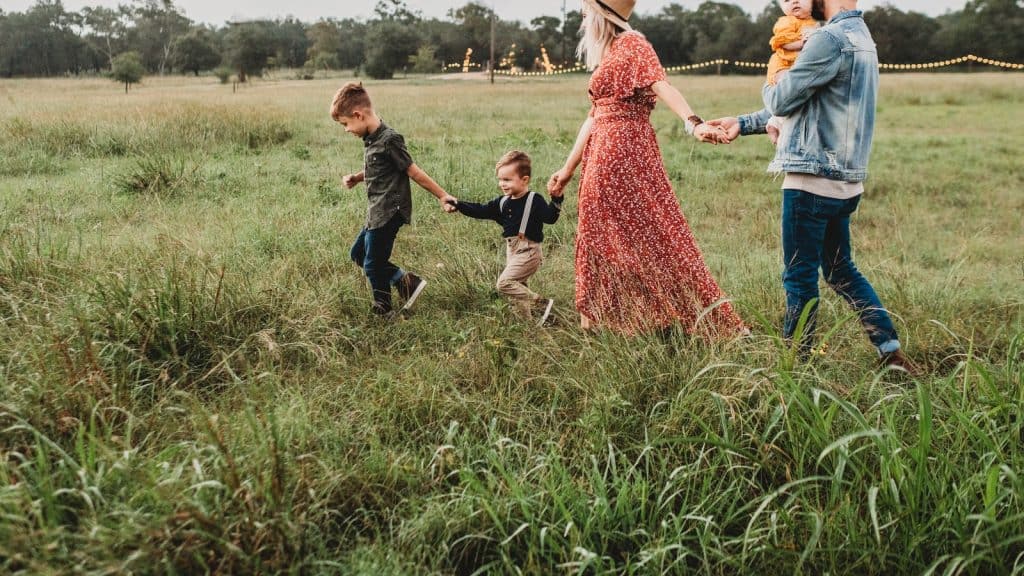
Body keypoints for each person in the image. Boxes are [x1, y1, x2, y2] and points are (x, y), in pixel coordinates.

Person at [708, 0, 922, 374]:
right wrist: (745, 122)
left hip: (812, 179)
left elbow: (781, 98)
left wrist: (775, 65)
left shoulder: (828, 39)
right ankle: (891, 353)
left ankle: (796, 365)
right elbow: (809, 103)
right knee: (841, 271)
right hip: (845, 181)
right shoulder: (861, 37)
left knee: (799, 274)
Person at [546, 0, 745, 336]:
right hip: (601, 156)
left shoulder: (634, 44)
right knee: (599, 236)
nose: (582, 17)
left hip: (626, 153)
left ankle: (660, 316)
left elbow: (662, 85)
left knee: (650, 234)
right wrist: (567, 168)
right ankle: (599, 322)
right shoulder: (609, 52)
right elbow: (594, 116)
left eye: (585, 10)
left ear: (602, 13)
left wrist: (693, 123)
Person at [332, 82, 457, 316]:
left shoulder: (390, 139)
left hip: (389, 211)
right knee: (358, 254)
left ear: (358, 115)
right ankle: (406, 283)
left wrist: (443, 196)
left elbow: (413, 171)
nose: (346, 130)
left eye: (346, 124)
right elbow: (379, 168)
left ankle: (384, 309)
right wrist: (358, 177)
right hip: (376, 211)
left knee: (373, 263)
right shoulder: (371, 139)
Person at [447, 151, 563, 325]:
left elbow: (550, 218)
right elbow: (480, 210)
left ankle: (541, 303)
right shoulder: (502, 202)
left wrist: (556, 198)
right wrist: (458, 204)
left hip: (529, 251)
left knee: (505, 283)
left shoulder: (534, 200)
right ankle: (528, 325)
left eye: (507, 180)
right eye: (500, 179)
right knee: (518, 291)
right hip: (512, 250)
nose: (502, 184)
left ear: (524, 180)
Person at [765, 0, 820, 142]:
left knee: (797, 96)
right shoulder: (787, 21)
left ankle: (774, 123)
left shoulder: (815, 22)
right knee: (788, 90)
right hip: (783, 64)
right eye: (786, 0)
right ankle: (780, 126)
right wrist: (802, 43)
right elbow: (783, 42)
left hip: (797, 66)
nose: (794, 1)